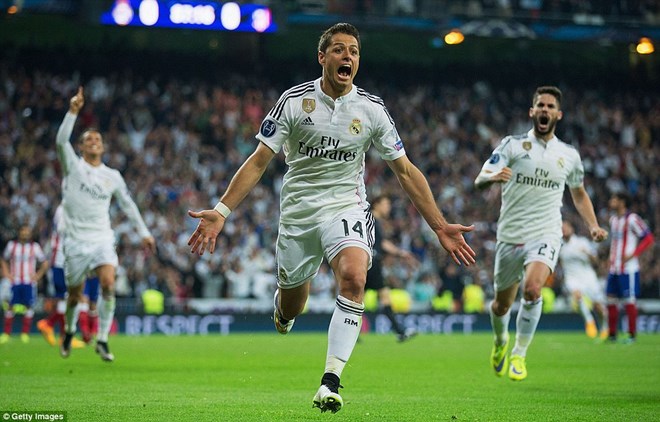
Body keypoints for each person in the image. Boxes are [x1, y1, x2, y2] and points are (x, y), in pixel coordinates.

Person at [188, 22, 476, 413]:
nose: (348, 57)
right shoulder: (294, 101)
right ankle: (283, 308)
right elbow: (258, 162)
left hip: (346, 205)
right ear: (322, 57)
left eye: (354, 51)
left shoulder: (372, 110)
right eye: (339, 50)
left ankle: (331, 380)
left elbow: (405, 171)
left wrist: (440, 226)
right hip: (298, 213)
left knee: (355, 276)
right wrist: (221, 212)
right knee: (293, 305)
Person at [474, 86, 608, 381]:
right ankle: (500, 343)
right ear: (531, 112)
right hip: (510, 235)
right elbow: (480, 179)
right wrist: (493, 178)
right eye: (540, 105)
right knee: (501, 305)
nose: (545, 110)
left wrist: (593, 225)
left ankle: (519, 355)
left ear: (558, 114)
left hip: (546, 233)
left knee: (533, 289)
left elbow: (580, 194)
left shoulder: (569, 155)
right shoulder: (511, 145)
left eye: (550, 106)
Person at [56, 87, 156, 362]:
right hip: (76, 240)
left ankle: (101, 339)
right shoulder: (73, 167)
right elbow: (60, 141)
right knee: (74, 296)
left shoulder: (112, 176)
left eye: (97, 139)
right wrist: (73, 112)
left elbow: (128, 205)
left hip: (101, 237)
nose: (94, 142)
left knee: (109, 284)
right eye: (88, 139)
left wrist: (144, 233)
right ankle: (68, 330)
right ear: (82, 147)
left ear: (102, 146)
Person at [365, 194, 418, 342]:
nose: (388, 207)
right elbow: (381, 244)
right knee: (383, 296)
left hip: (368, 261)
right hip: (371, 261)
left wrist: (400, 253)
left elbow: (381, 243)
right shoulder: (371, 219)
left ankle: (349, 334)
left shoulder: (373, 220)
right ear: (376, 204)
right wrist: (401, 253)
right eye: (386, 204)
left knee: (356, 299)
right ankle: (399, 331)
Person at [606, 191, 654, 343]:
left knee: (629, 300)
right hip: (614, 268)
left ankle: (631, 335)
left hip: (628, 269)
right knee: (610, 299)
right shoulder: (613, 220)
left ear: (622, 201)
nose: (611, 201)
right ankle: (612, 335)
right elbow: (614, 243)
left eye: (614, 198)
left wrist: (634, 254)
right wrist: (610, 257)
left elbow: (648, 238)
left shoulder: (632, 219)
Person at [37, 204, 86, 349]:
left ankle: (64, 336)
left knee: (66, 298)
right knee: (68, 297)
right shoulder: (63, 208)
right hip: (60, 259)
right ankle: (49, 324)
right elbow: (62, 228)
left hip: (69, 259)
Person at [558, 220, 608, 339]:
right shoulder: (559, 245)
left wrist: (588, 254)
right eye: (562, 228)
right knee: (577, 295)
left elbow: (595, 261)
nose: (564, 229)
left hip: (588, 277)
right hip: (571, 277)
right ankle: (589, 321)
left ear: (572, 229)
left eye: (566, 227)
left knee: (598, 306)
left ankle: (605, 328)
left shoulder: (582, 242)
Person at [0, 224, 49, 344]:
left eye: (27, 232)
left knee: (28, 306)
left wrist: (38, 276)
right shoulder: (12, 246)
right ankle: (6, 333)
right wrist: (6, 273)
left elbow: (44, 263)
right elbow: (3, 259)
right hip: (14, 281)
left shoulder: (35, 247)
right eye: (23, 231)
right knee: (10, 305)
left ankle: (25, 334)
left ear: (30, 234)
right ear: (19, 232)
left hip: (28, 282)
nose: (25, 234)